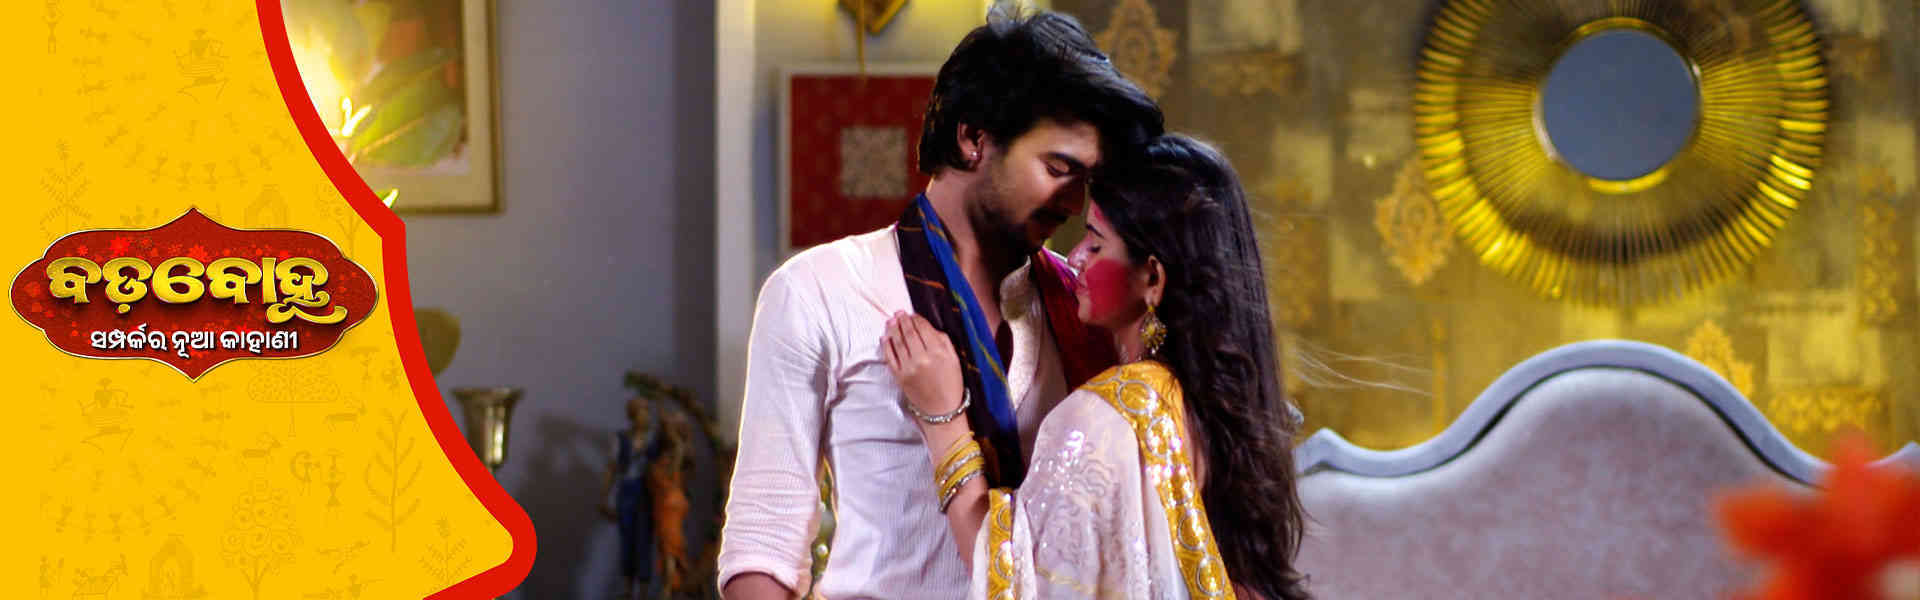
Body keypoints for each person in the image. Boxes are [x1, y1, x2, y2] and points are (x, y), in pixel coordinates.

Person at [716, 6, 1163, 599]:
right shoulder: (819, 289)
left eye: (1087, 180)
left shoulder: (1079, 306)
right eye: (1058, 168)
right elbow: (763, 546)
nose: (1074, 201)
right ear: (974, 139)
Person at [884, 134, 1312, 599]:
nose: (1075, 258)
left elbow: (1017, 583)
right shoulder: (1223, 404)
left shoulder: (1106, 417)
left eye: (1095, 242)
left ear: (1152, 277)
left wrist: (943, 421)